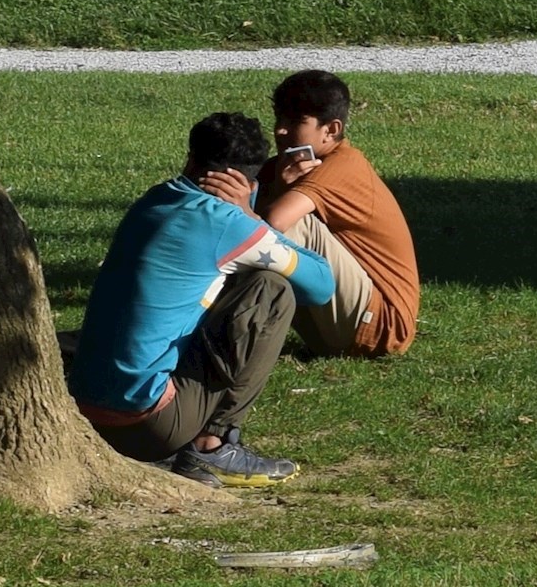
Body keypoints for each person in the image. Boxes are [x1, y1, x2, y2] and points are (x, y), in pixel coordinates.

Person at [69, 111, 333, 488]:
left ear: (192, 158)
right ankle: (214, 445)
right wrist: (250, 214)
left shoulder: (153, 201)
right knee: (273, 290)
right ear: (247, 181)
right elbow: (321, 285)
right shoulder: (228, 222)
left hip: (86, 408)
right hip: (148, 427)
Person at [257, 69, 419, 359]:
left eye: (295, 121)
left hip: (381, 326)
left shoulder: (342, 165)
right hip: (335, 328)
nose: (280, 130)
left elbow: (275, 222)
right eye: (279, 118)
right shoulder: (284, 166)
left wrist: (278, 189)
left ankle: (230, 329)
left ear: (331, 130)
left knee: (293, 226)